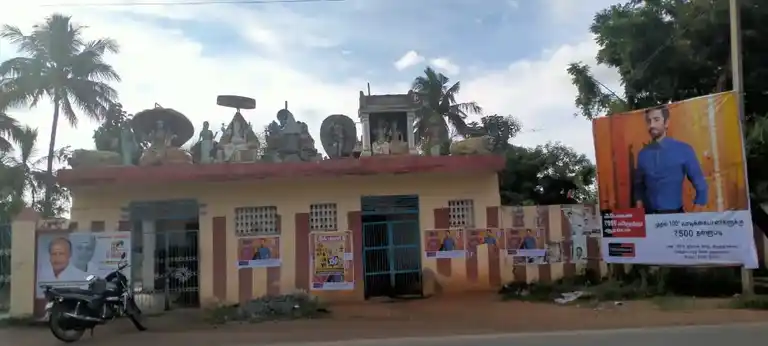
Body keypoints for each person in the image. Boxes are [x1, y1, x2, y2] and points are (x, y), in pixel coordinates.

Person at [634, 105, 708, 214]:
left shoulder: (684, 150)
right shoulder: (642, 155)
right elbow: (638, 188)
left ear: (666, 123)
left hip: (675, 218)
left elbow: (702, 187)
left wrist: (692, 220)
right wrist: (640, 217)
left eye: (656, 120)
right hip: (650, 220)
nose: (652, 125)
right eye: (649, 121)